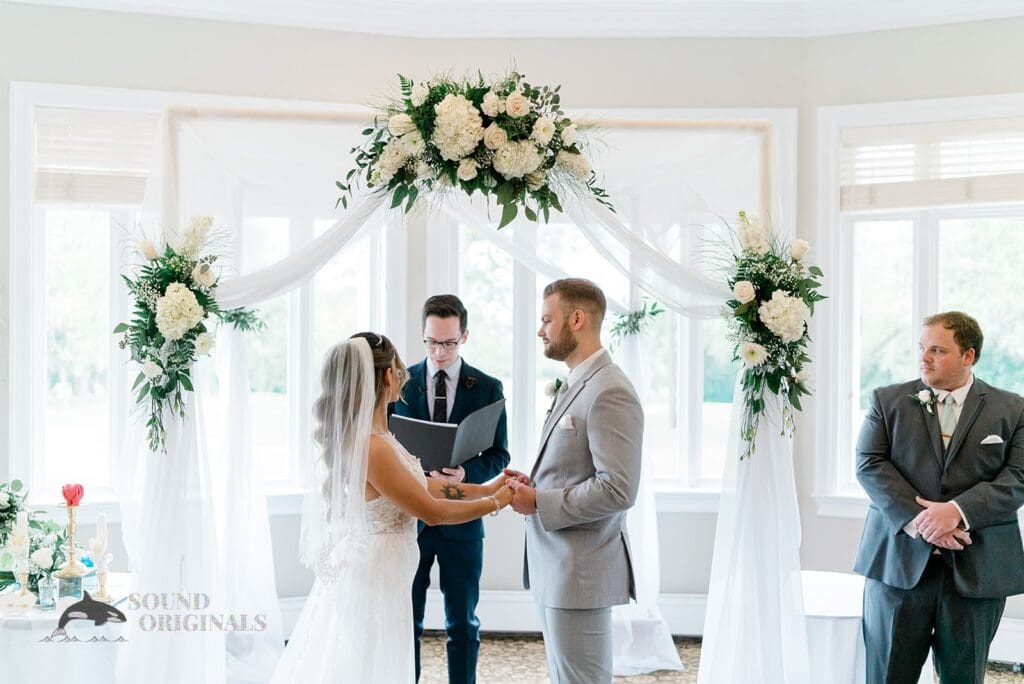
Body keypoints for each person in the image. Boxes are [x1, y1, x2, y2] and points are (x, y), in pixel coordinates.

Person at [271, 332, 513, 684]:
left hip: (388, 569)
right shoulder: (374, 447)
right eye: (399, 367)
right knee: (368, 663)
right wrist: (496, 503)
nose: (405, 373)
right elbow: (432, 510)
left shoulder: (382, 439)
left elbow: (427, 485)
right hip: (375, 574)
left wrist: (487, 487)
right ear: (386, 376)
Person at [854, 311, 1024, 683]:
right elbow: (869, 464)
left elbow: (1019, 476)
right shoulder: (888, 400)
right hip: (897, 568)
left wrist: (958, 511)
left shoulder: (1013, 409)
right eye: (922, 349)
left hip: (976, 570)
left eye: (937, 350)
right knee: (886, 676)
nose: (924, 358)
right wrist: (925, 522)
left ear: (969, 356)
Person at [504, 278, 643, 684]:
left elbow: (618, 488)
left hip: (580, 572)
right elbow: (576, 468)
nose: (540, 330)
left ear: (577, 319)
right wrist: (536, 484)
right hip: (556, 567)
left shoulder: (610, 390)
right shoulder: (580, 381)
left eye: (548, 319)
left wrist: (538, 502)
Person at [392, 294, 511, 684]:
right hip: (411, 518)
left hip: (462, 523)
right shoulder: (400, 384)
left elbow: (499, 454)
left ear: (465, 337)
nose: (439, 352)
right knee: (407, 620)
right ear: (422, 336)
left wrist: (466, 474)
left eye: (448, 343)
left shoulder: (488, 388)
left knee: (463, 622)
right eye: (431, 341)